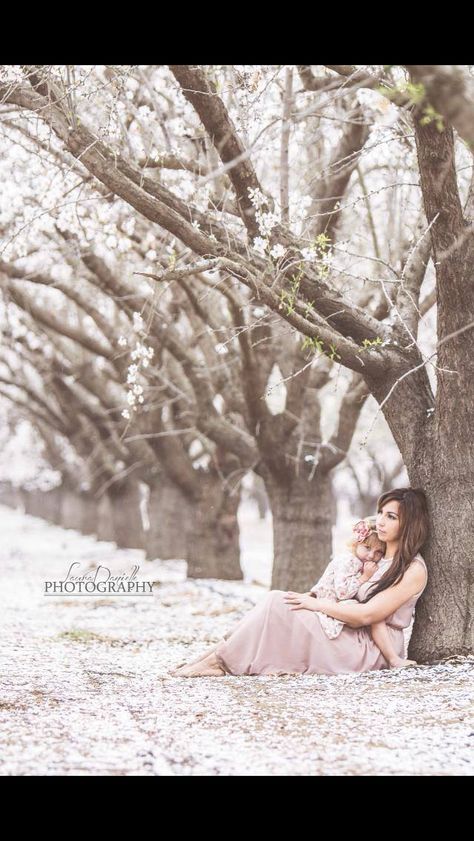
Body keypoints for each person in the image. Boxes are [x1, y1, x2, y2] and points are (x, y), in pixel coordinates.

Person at [170, 487, 429, 678]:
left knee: (279, 604)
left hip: (370, 648)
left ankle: (221, 663)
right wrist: (312, 599)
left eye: (391, 517)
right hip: (344, 628)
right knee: (279, 602)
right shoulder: (376, 554)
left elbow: (366, 615)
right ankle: (211, 659)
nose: (381, 521)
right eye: (381, 513)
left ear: (410, 523)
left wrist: (313, 605)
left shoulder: (412, 569)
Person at [306, 517, 417, 669]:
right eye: (367, 548)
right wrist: (364, 578)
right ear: (356, 543)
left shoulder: (362, 562)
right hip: (333, 600)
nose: (371, 555)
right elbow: (343, 592)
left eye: (378, 552)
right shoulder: (350, 561)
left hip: (336, 601)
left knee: (373, 613)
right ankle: (392, 658)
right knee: (373, 615)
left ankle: (392, 657)